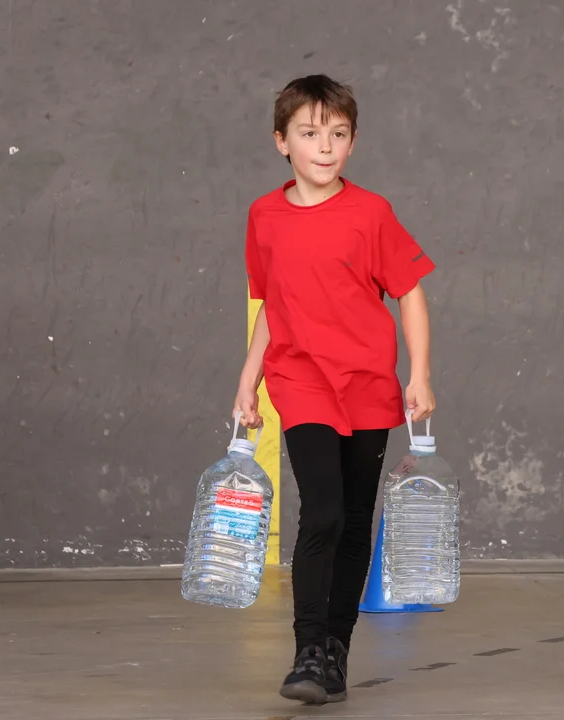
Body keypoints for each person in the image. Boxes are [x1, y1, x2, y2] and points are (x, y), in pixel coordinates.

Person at [232, 74, 437, 705]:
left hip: (368, 384)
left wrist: (420, 374)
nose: (325, 147)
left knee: (353, 521)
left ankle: (336, 652)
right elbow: (272, 307)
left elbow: (409, 292)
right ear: (281, 142)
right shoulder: (264, 216)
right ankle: (307, 651)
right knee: (321, 510)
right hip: (301, 382)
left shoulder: (371, 213)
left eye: (338, 134)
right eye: (309, 133)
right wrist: (248, 381)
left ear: (352, 142)